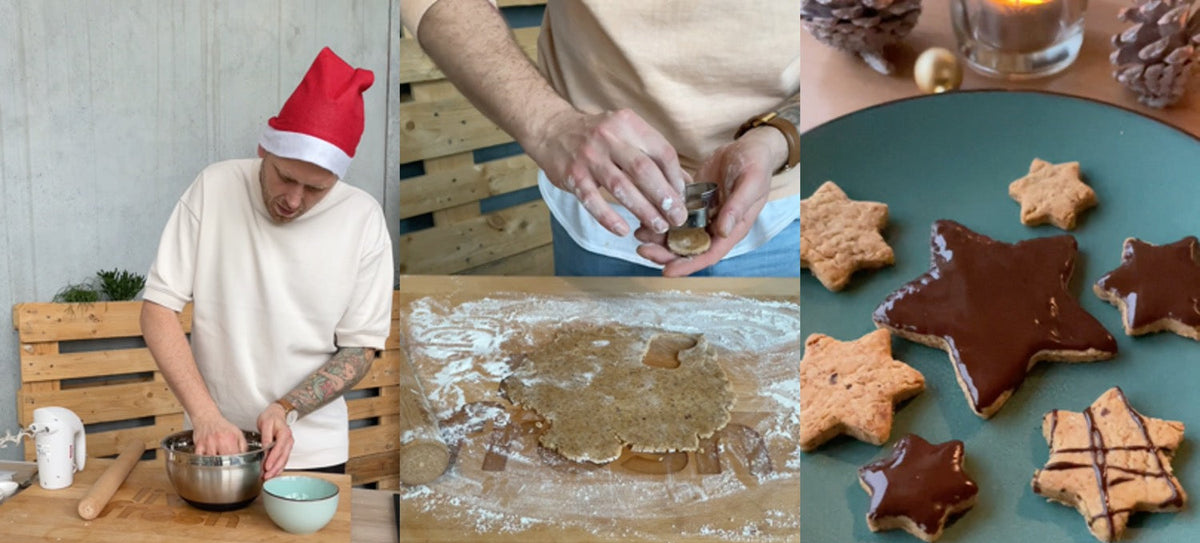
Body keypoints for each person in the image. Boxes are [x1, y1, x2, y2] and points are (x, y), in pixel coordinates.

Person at [401, 0, 799, 277]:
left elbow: (851, 41)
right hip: (602, 211)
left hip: (791, 205)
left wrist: (781, 136)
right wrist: (549, 124)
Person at [141, 47, 395, 479]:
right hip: (214, 440)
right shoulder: (214, 187)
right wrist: (205, 416)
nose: (294, 201)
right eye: (285, 176)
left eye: (316, 189)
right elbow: (158, 309)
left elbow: (359, 348)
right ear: (265, 148)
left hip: (313, 451)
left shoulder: (363, 219)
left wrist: (286, 409)